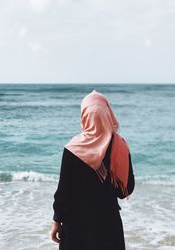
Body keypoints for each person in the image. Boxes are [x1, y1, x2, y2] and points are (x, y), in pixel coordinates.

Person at [50, 90, 135, 250]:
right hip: (108, 227)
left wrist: (56, 221)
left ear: (84, 115)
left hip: (76, 226)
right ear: (108, 113)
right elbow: (125, 190)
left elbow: (64, 192)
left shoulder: (73, 148)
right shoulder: (120, 146)